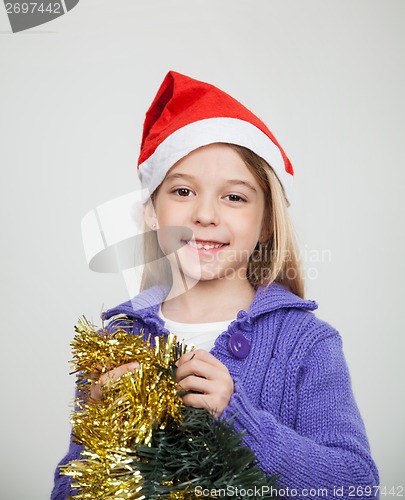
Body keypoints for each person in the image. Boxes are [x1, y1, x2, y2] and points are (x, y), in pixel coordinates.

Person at [51, 71, 379, 499]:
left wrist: (238, 417)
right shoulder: (117, 340)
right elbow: (67, 490)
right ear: (152, 213)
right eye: (183, 191)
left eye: (235, 196)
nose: (205, 214)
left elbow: (358, 485)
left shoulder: (306, 343)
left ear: (266, 223)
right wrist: (100, 427)